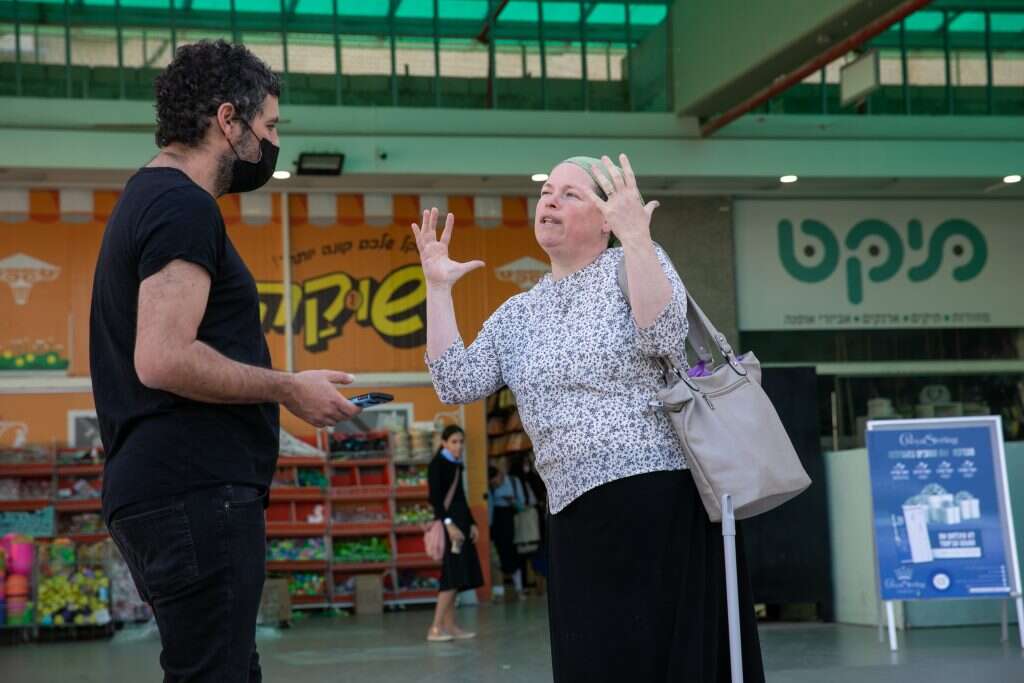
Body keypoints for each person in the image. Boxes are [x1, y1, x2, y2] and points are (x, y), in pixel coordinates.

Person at [413, 154, 765, 682]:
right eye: (546, 191)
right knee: (596, 662)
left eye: (570, 194)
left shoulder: (636, 263)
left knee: (669, 661)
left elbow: (663, 334)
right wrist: (437, 289)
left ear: (606, 220)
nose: (549, 200)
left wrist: (637, 238)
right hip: (574, 514)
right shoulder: (518, 314)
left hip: (660, 503)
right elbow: (454, 382)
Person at [89, 40, 360, 681]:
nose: (271, 142)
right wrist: (287, 387)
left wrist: (278, 423)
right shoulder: (182, 205)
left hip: (170, 487)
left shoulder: (149, 200)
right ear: (228, 119)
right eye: (268, 126)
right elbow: (162, 359)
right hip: (194, 493)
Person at [426, 425, 484, 642]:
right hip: (451, 529)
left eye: (461, 442)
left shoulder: (457, 465)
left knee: (456, 576)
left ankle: (450, 626)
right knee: (451, 576)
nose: (458, 446)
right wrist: (450, 525)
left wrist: (472, 523)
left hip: (460, 526)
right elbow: (436, 501)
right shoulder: (437, 465)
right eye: (454, 442)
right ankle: (435, 627)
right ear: (444, 443)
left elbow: (461, 498)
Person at [487, 463, 525, 600]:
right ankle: (499, 592)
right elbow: (490, 509)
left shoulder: (514, 482)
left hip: (512, 520)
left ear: (501, 474)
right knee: (498, 555)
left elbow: (522, 506)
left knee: (513, 553)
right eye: (492, 482)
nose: (495, 483)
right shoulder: (490, 488)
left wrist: (512, 501)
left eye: (496, 479)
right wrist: (488, 528)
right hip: (496, 523)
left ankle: (519, 589)